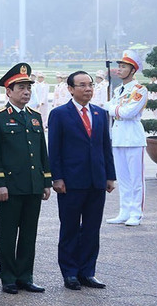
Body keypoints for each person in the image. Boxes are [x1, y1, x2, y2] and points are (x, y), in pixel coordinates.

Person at [0, 63, 52, 294]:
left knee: (29, 234)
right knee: (8, 233)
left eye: (28, 88)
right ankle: (9, 278)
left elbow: (42, 152)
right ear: (9, 91)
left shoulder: (34, 117)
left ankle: (25, 276)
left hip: (32, 185)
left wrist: (46, 181)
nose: (26, 92)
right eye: (21, 88)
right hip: (10, 187)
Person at [48, 71, 115, 290]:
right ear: (70, 89)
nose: (88, 89)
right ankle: (70, 273)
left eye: (90, 85)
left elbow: (105, 146)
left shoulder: (100, 113)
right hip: (71, 182)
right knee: (70, 229)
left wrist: (110, 176)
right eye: (82, 85)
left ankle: (87, 272)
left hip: (96, 180)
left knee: (91, 229)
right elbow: (54, 149)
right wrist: (56, 178)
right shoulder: (59, 114)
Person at [103, 50, 149, 226]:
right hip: (118, 137)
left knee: (136, 179)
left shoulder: (139, 90)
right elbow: (115, 109)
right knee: (123, 179)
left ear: (133, 70)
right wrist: (114, 108)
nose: (119, 69)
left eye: (123, 67)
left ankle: (136, 213)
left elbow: (129, 112)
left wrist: (111, 108)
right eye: (119, 66)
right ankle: (124, 211)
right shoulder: (117, 90)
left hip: (133, 138)